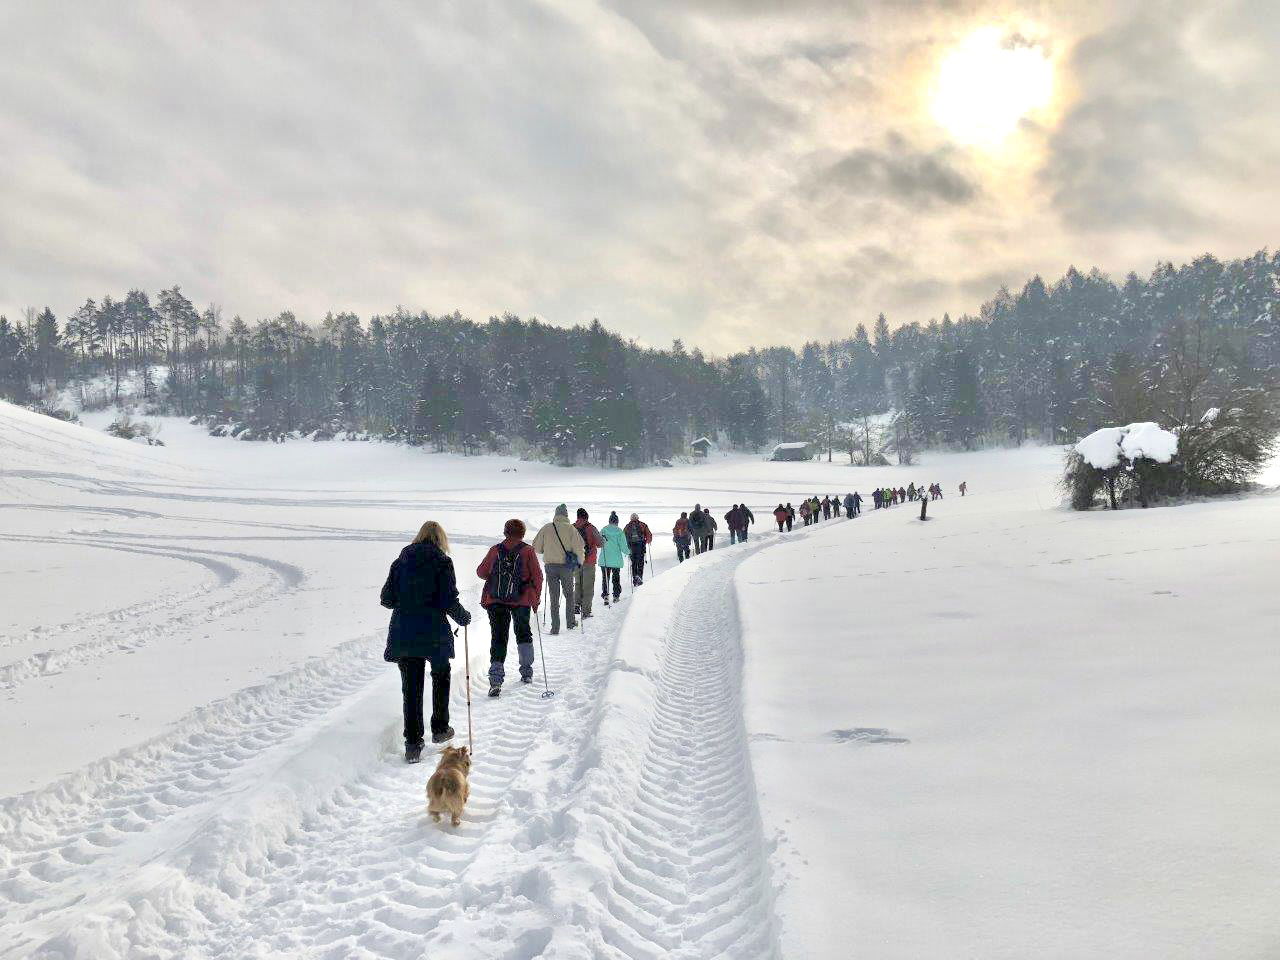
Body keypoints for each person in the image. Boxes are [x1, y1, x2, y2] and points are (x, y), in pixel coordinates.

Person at [381, 520, 472, 762]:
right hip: (434, 632)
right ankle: (440, 729)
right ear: (441, 539)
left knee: (411, 687)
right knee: (441, 676)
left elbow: (387, 599)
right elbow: (447, 600)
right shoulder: (443, 562)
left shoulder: (401, 562)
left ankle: (413, 744)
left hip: (406, 631)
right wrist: (462, 617)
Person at [476, 519, 543, 698]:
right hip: (521, 600)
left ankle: (496, 680)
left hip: (496, 600)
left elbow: (481, 572)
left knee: (498, 637)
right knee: (523, 633)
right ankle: (526, 672)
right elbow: (537, 576)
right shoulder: (528, 551)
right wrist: (535, 599)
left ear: (505, 532)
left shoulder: (495, 550)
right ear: (522, 534)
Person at [532, 504, 585, 635]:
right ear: (566, 515)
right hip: (566, 567)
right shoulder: (571, 529)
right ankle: (571, 623)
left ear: (555, 515)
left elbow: (536, 547)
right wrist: (580, 562)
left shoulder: (547, 528)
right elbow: (579, 547)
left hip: (550, 566)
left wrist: (547, 549)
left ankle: (555, 627)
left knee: (554, 597)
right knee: (569, 595)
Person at [573, 508, 602, 619]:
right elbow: (600, 544)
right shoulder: (591, 528)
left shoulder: (572, 527)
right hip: (589, 561)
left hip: (576, 560)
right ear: (587, 517)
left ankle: (576, 605)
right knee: (588, 586)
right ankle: (586, 611)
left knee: (578, 583)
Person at [599, 511, 626, 604]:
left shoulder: (603, 530)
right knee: (616, 577)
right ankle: (616, 596)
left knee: (605, 577)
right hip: (615, 560)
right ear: (617, 521)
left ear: (609, 521)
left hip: (605, 559)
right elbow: (623, 546)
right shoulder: (619, 531)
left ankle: (606, 595)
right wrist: (628, 552)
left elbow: (599, 542)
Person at [624, 513, 653, 585]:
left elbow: (623, 537)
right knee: (640, 563)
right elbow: (649, 535)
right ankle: (639, 577)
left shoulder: (627, 526)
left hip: (631, 547)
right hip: (641, 546)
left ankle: (634, 579)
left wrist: (625, 546)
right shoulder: (643, 525)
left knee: (633, 563)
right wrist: (647, 541)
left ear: (631, 518)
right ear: (637, 518)